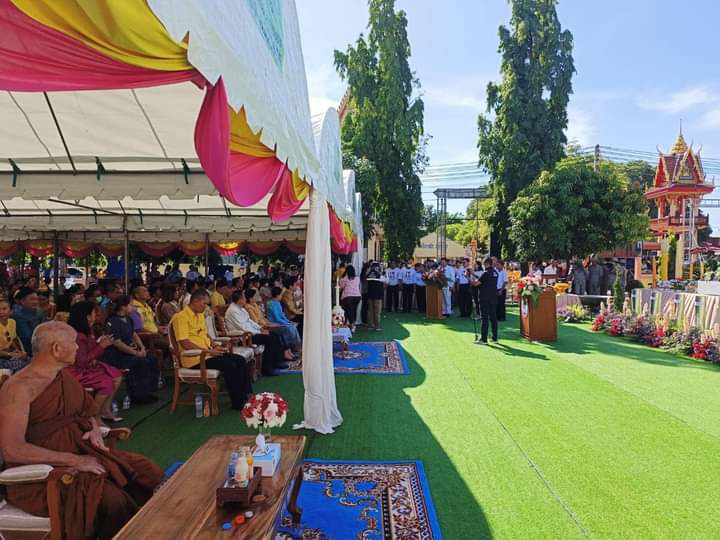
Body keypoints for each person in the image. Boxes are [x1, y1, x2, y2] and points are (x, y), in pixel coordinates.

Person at [0, 321, 163, 540]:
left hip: (83, 451)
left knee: (147, 471)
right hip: (47, 475)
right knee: (112, 501)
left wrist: (94, 429)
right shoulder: (19, 387)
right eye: (74, 343)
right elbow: (12, 450)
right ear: (56, 349)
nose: (78, 347)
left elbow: (87, 412)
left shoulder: (63, 377)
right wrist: (74, 460)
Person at [171, 290, 253, 409]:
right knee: (230, 365)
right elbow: (185, 343)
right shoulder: (180, 317)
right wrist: (208, 351)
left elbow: (205, 335)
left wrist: (214, 346)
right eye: (204, 304)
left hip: (208, 354)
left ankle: (247, 395)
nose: (206, 307)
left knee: (239, 359)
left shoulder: (199, 315)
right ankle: (238, 402)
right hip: (195, 359)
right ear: (195, 301)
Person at [66, 302, 124, 423]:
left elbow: (90, 352)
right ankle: (94, 417)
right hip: (75, 371)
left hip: (88, 366)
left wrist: (100, 345)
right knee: (106, 382)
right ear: (87, 316)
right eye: (94, 313)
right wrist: (101, 346)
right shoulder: (78, 336)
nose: (96, 316)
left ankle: (105, 410)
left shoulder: (89, 331)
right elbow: (81, 362)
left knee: (117, 375)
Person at [103, 296, 159, 404]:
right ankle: (137, 395)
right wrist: (136, 353)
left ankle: (148, 390)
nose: (133, 307)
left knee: (152, 358)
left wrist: (142, 347)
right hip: (118, 356)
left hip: (131, 351)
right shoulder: (112, 322)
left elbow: (134, 334)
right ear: (123, 307)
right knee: (141, 362)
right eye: (130, 305)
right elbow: (118, 344)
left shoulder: (128, 319)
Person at [225, 291, 291, 375]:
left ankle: (277, 362)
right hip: (244, 337)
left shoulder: (241, 308)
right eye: (244, 297)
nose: (245, 299)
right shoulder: (233, 311)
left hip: (252, 333)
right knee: (270, 339)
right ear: (240, 300)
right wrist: (258, 332)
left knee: (275, 335)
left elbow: (250, 321)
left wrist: (260, 329)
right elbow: (243, 327)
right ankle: (267, 369)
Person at [12, 286, 47, 354]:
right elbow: (27, 337)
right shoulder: (18, 315)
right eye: (32, 299)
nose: (36, 302)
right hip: (29, 349)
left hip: (42, 342)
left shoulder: (39, 311)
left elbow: (45, 326)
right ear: (22, 301)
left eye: (37, 299)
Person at [0, 298, 28, 372]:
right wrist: (11, 354)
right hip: (2, 357)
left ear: (11, 311)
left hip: (8, 353)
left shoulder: (12, 322)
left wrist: (19, 351)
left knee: (29, 359)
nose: (1, 312)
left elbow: (12, 339)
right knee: (23, 364)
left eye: (4, 309)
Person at [478, 257, 499, 343]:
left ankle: (484, 339)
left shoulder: (485, 273)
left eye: (483, 264)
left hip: (484, 298)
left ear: (486, 264)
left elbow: (476, 283)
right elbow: (483, 280)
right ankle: (494, 338)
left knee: (484, 318)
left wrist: (467, 277)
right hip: (493, 298)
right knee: (493, 318)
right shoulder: (495, 273)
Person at [339, 264, 362, 331]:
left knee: (348, 310)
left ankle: (351, 324)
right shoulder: (357, 278)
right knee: (354, 310)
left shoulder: (344, 279)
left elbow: (341, 287)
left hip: (348, 296)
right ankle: (353, 323)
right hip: (357, 296)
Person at [365, 262, 386, 331]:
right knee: (377, 312)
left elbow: (366, 278)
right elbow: (385, 281)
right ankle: (377, 326)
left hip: (370, 295)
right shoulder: (379, 275)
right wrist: (382, 272)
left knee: (370, 311)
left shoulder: (368, 275)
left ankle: (370, 326)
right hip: (378, 296)